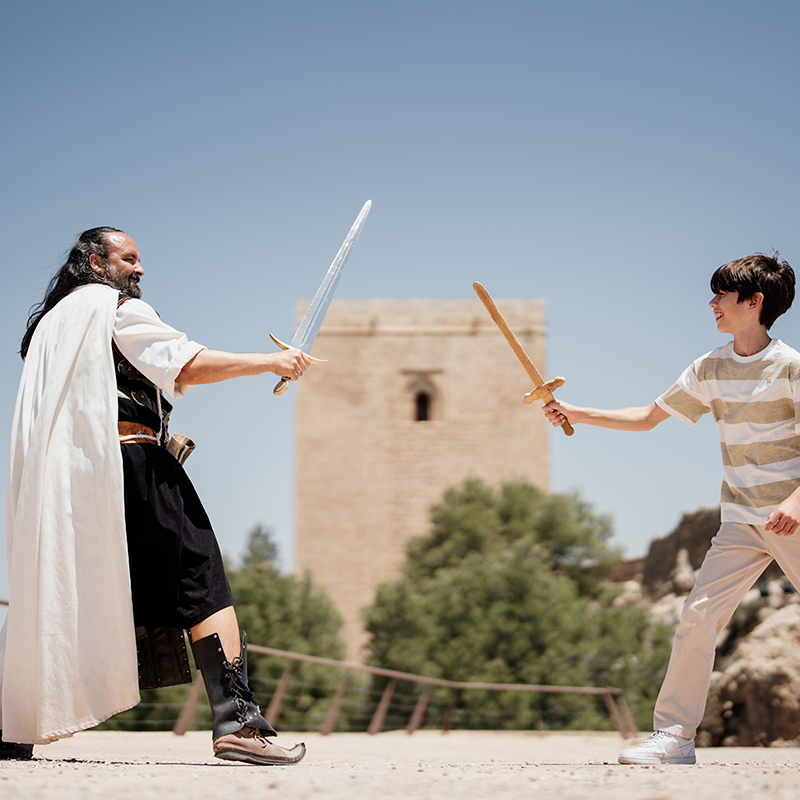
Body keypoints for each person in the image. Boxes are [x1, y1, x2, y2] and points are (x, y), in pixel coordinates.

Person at [0, 227, 311, 764]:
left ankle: (9, 728)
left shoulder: (52, 326)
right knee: (200, 576)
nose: (139, 270)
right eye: (130, 259)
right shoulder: (113, 308)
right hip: (134, 461)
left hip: (66, 479)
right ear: (96, 262)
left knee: (54, 585)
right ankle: (238, 724)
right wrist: (270, 362)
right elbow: (183, 363)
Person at [543, 252, 798, 766]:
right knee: (697, 616)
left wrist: (795, 500)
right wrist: (577, 413)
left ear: (755, 303)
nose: (712, 304)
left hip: (792, 515)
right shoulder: (709, 367)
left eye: (722, 296)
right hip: (741, 520)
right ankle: (675, 737)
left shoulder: (791, 367)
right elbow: (646, 417)